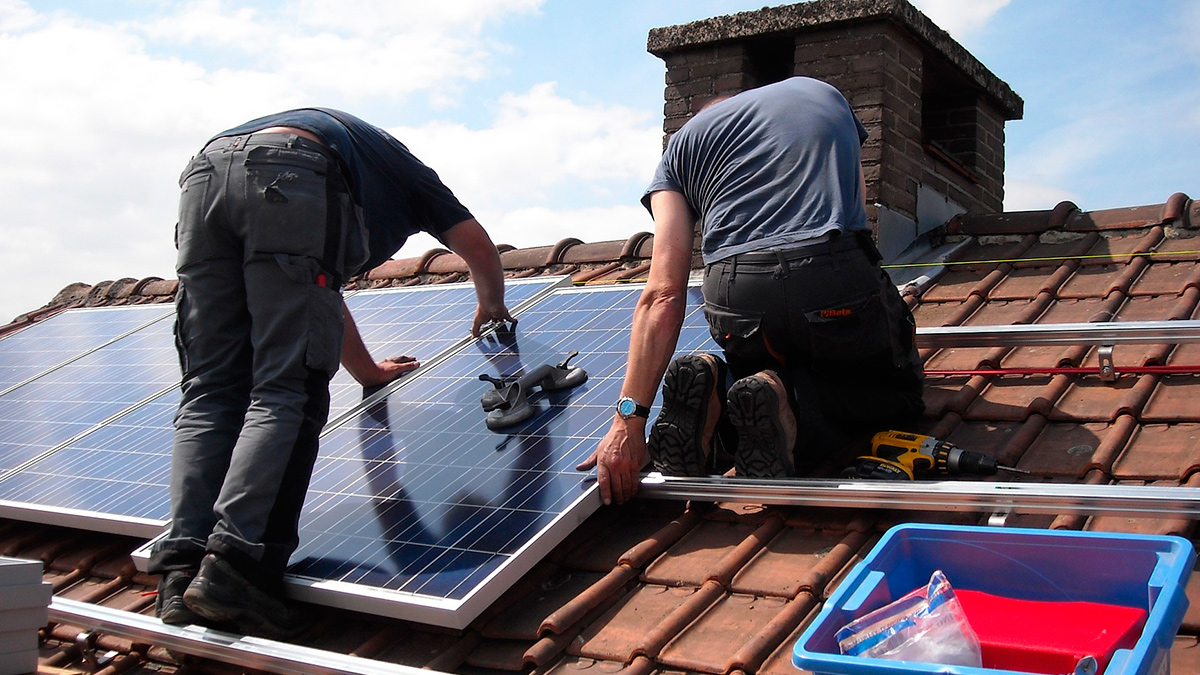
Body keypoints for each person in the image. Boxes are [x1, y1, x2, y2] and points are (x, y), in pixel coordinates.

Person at [147, 108, 513, 638]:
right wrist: (492, 305)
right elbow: (478, 246)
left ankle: (181, 575)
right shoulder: (409, 176)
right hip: (290, 170)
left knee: (210, 392)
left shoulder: (361, 163)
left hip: (205, 176)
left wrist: (366, 370)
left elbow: (318, 295)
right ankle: (235, 569)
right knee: (285, 392)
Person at [578, 77, 924, 506]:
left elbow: (663, 292)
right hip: (829, 271)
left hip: (735, 294)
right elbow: (858, 208)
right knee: (899, 393)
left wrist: (628, 419)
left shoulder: (678, 151)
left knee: (761, 365)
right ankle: (790, 404)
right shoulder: (822, 92)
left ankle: (719, 387)